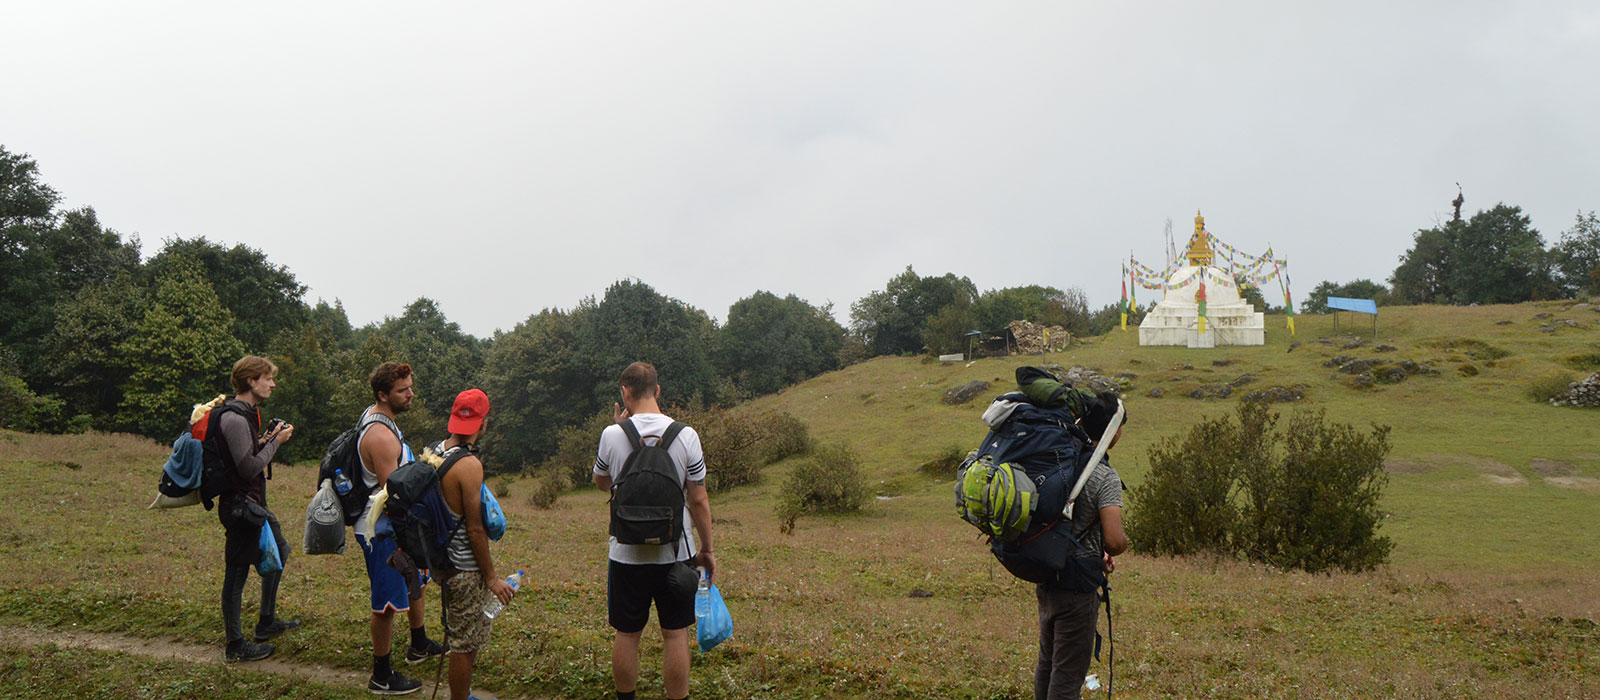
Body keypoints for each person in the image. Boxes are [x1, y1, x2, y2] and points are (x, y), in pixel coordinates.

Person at [593, 362, 716, 700]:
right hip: (676, 554)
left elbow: (602, 483)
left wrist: (618, 430)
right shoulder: (686, 435)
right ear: (658, 390)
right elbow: (699, 499)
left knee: (627, 634)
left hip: (625, 554)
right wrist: (706, 548)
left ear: (625, 393)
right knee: (675, 635)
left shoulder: (611, 434)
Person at [1034, 392, 1129, 700]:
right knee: (1068, 676)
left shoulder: (1060, 459)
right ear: (1113, 433)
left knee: (1048, 665)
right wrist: (1116, 547)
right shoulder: (1104, 477)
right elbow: (1115, 540)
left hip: (1048, 578)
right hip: (1077, 591)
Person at [355, 361, 440, 695]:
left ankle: (418, 644)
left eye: (410, 386)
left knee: (415, 580)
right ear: (383, 395)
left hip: (395, 524)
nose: (411, 394)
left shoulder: (381, 420)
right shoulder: (380, 436)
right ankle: (381, 674)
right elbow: (395, 493)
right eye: (403, 390)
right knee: (387, 602)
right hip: (381, 530)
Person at [210, 355, 298, 662]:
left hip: (253, 505)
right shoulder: (233, 418)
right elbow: (247, 469)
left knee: (281, 552)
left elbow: (245, 454)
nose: (273, 383)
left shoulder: (246, 414)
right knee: (236, 576)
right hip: (240, 507)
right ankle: (235, 645)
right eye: (268, 378)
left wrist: (266, 440)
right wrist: (277, 444)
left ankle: (266, 622)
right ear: (251, 381)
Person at [434, 388, 516, 700]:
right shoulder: (468, 466)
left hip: (443, 562)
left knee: (459, 636)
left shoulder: (435, 451)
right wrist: (492, 577)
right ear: (483, 424)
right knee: (464, 646)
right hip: (465, 569)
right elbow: (475, 528)